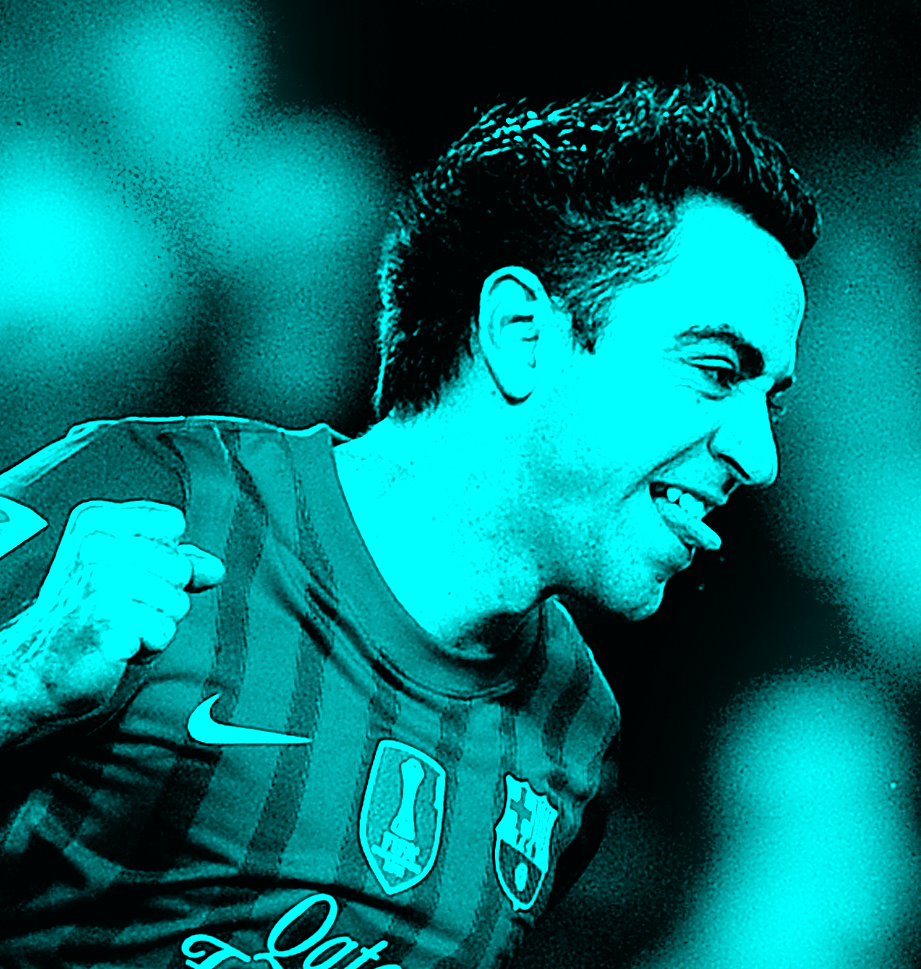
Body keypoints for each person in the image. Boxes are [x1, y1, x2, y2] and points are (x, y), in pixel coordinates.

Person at [0, 76, 818, 968]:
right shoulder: (147, 499)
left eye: (768, 401)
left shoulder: (576, 734)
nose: (758, 456)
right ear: (520, 333)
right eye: (713, 371)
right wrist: (19, 683)